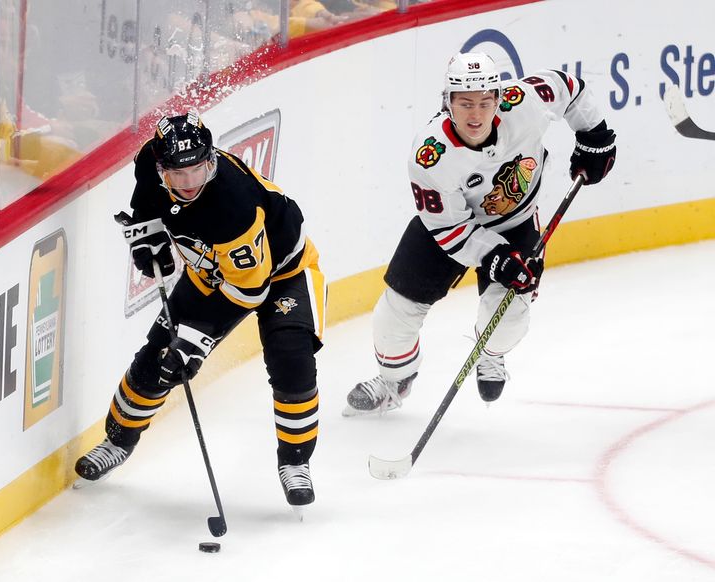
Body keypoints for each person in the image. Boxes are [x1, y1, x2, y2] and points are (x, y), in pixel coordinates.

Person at [75, 112, 326, 509]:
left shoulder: (233, 204)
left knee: (291, 356)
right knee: (156, 359)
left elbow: (250, 291)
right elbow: (146, 199)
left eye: (199, 169)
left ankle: (295, 462)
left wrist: (193, 343)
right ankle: (117, 441)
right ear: (162, 169)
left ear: (211, 160)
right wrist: (147, 234)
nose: (190, 183)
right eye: (179, 174)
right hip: (211, 273)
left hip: (282, 273)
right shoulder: (148, 162)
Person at [344, 52, 616, 415]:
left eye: (485, 103)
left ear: (500, 99)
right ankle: (395, 380)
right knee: (394, 314)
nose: (475, 114)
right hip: (450, 228)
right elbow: (448, 228)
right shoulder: (431, 157)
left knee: (508, 319)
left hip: (517, 222)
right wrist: (492, 257)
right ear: (448, 103)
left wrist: (594, 133)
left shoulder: (526, 104)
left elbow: (568, 87)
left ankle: (490, 354)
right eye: (465, 103)